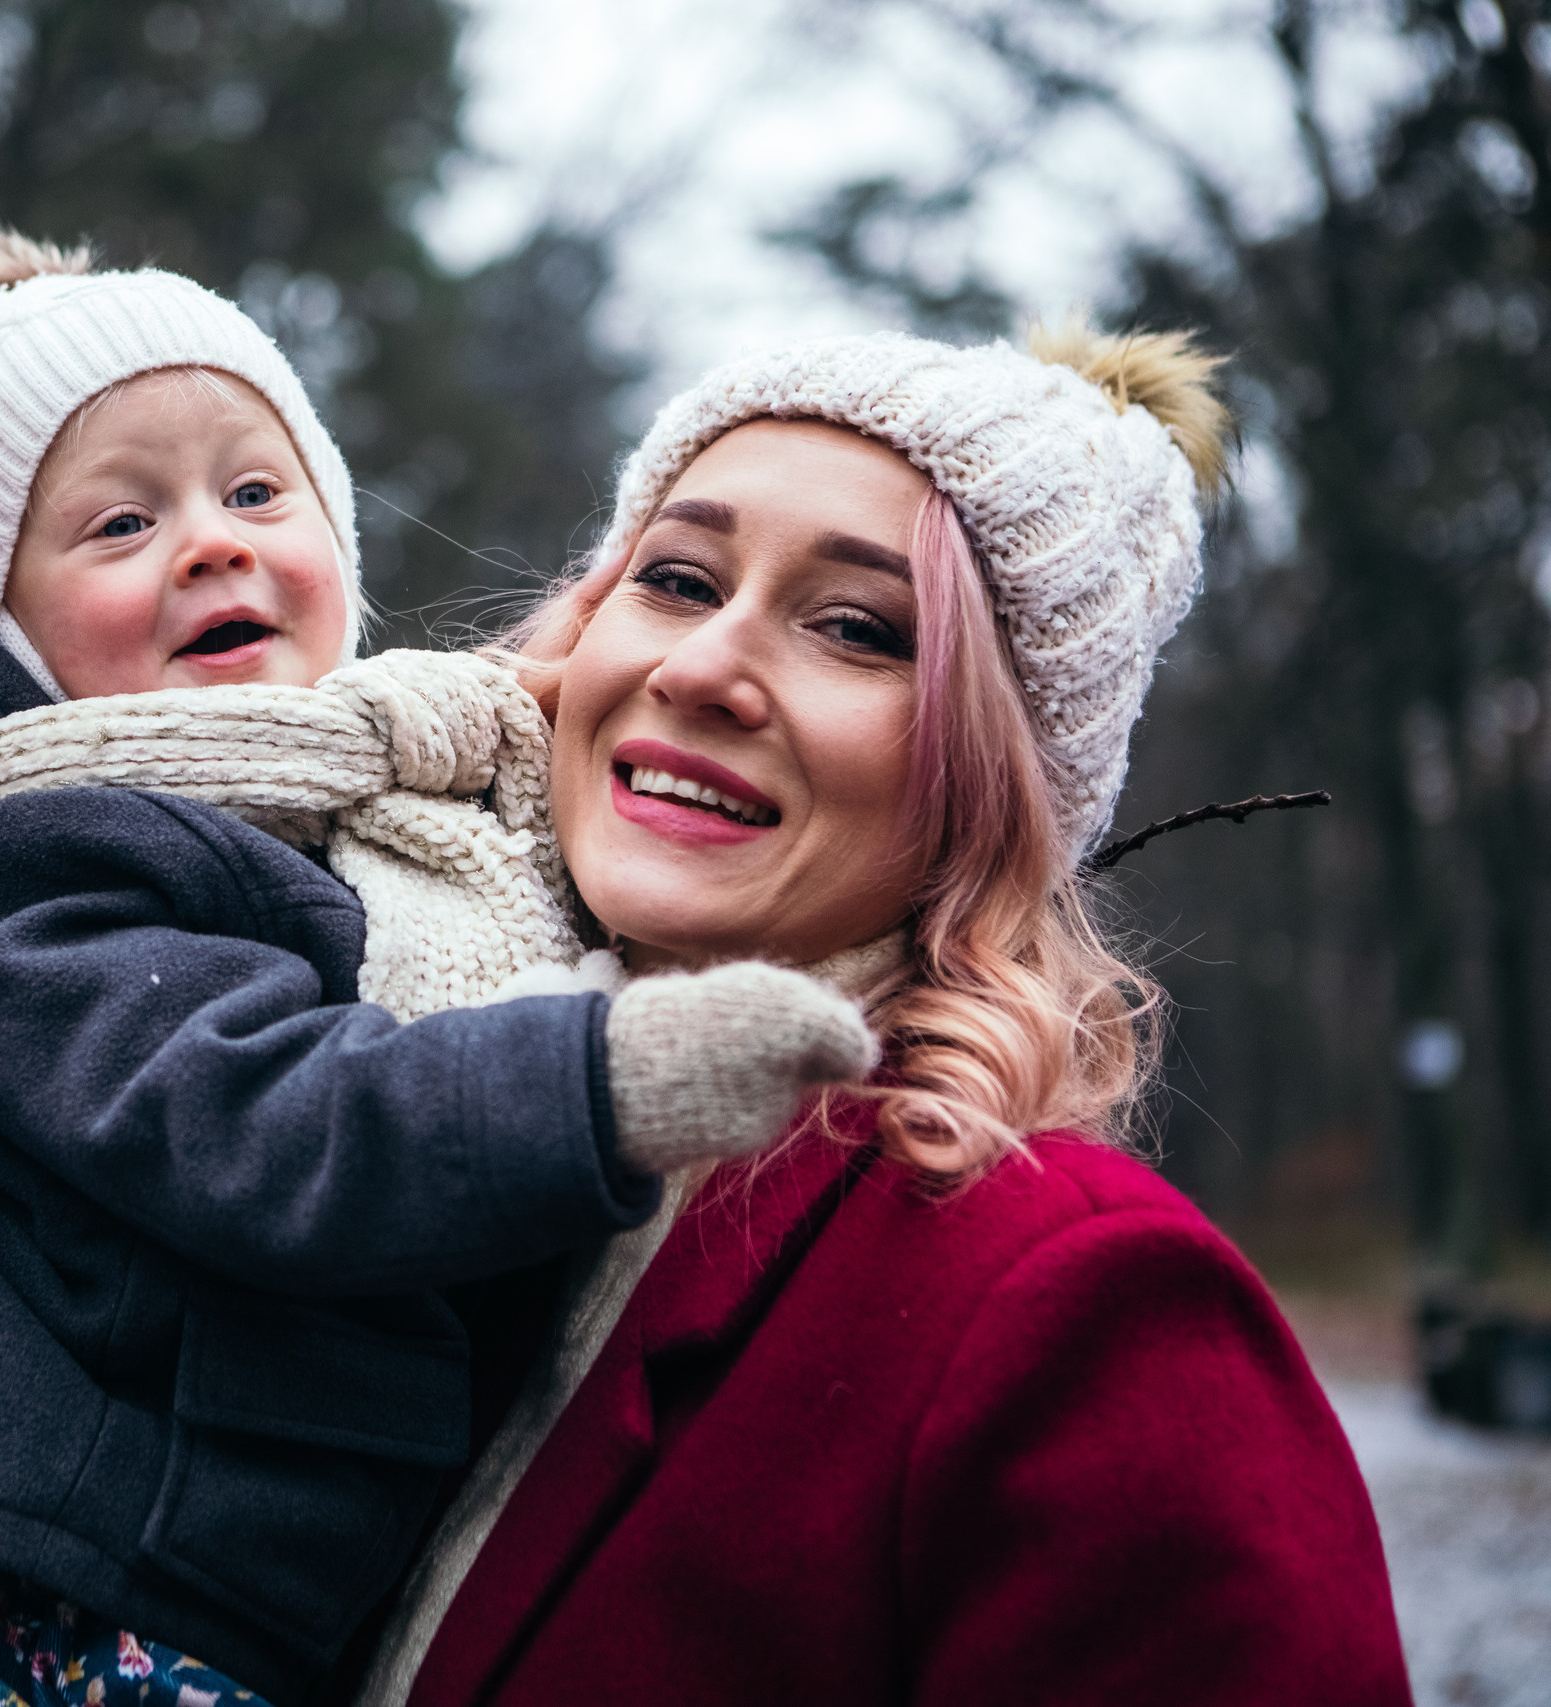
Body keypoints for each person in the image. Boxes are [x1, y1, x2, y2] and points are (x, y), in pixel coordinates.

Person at [0, 226, 884, 1707]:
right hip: (81, 1610)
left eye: (258, 489)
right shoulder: (30, 870)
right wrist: (602, 1075)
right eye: (119, 525)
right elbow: (263, 1122)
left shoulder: (373, 813)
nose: (214, 539)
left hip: (274, 1604)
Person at [349, 325, 1414, 1706]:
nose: (704, 668)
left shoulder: (1075, 1306)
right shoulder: (364, 1137)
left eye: (857, 627)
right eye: (676, 579)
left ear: (990, 785)